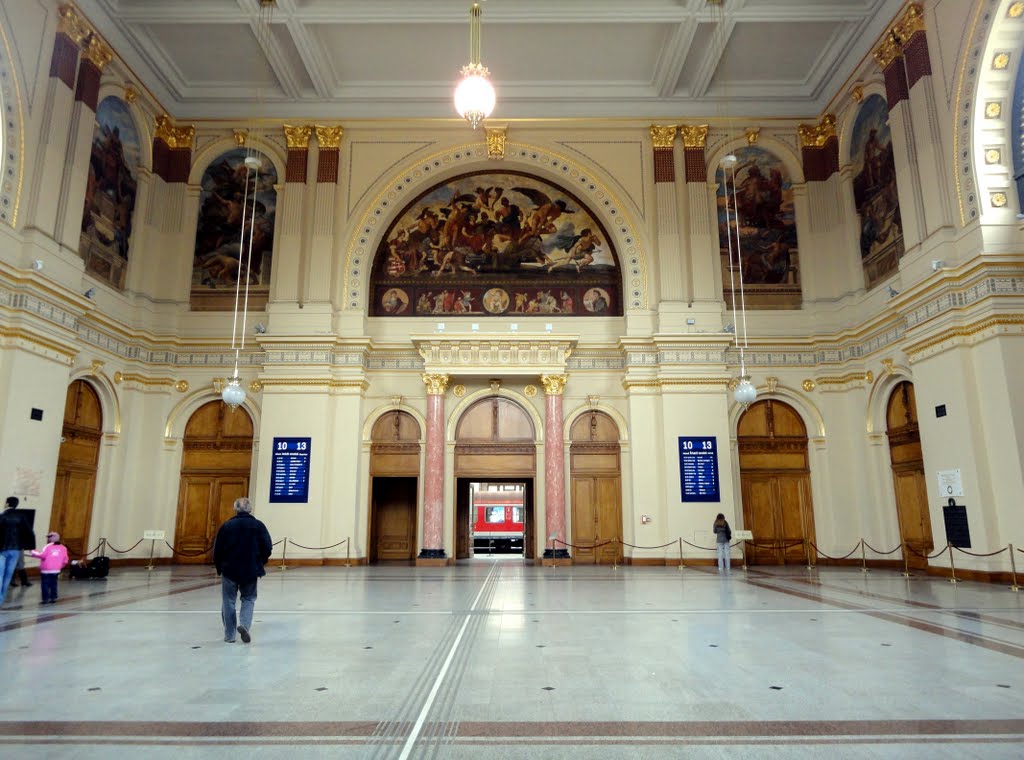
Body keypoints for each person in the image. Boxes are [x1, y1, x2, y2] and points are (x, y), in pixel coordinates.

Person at [212, 497, 272, 644]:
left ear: (235, 509)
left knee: (228, 600)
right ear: (250, 509)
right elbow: (267, 547)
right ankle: (244, 625)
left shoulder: (226, 526)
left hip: (229, 569)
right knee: (249, 598)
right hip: (251, 569)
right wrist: (260, 562)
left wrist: (220, 567)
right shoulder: (258, 526)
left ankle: (229, 635)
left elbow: (217, 550)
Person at [1, 496, 36, 603]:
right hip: (16, 549)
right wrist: (31, 547)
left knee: (0, 574)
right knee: (8, 575)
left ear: (7, 504)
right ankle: (1, 598)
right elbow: (30, 532)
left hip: (2, 549)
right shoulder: (22, 517)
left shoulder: (2, 516)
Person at [30, 532, 69, 604]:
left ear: (50, 538)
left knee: (45, 584)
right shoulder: (63, 548)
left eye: (48, 537)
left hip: (46, 570)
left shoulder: (47, 546)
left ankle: (45, 599)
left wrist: (32, 552)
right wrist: (60, 566)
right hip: (56, 570)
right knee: (54, 583)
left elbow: (42, 555)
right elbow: (65, 560)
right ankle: (53, 598)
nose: (48, 539)